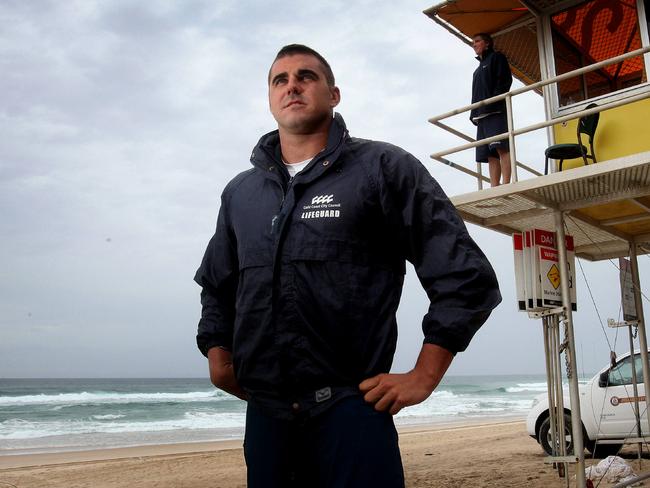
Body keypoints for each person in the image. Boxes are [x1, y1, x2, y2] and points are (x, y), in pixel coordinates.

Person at [194, 44, 502, 488]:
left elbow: (465, 275)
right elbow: (217, 283)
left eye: (306, 76)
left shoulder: (383, 168)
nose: (292, 86)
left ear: (333, 95)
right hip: (267, 420)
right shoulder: (241, 193)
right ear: (269, 97)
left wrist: (424, 374)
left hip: (351, 412)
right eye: (280, 80)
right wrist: (217, 353)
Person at [470, 32, 513, 187]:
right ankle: (495, 186)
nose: (474, 44)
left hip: (495, 111)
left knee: (501, 147)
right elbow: (476, 93)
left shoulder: (497, 57)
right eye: (472, 42)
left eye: (477, 41)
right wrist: (473, 112)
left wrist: (494, 101)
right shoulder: (477, 70)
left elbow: (505, 80)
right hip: (481, 115)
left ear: (487, 43)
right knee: (489, 154)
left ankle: (507, 184)